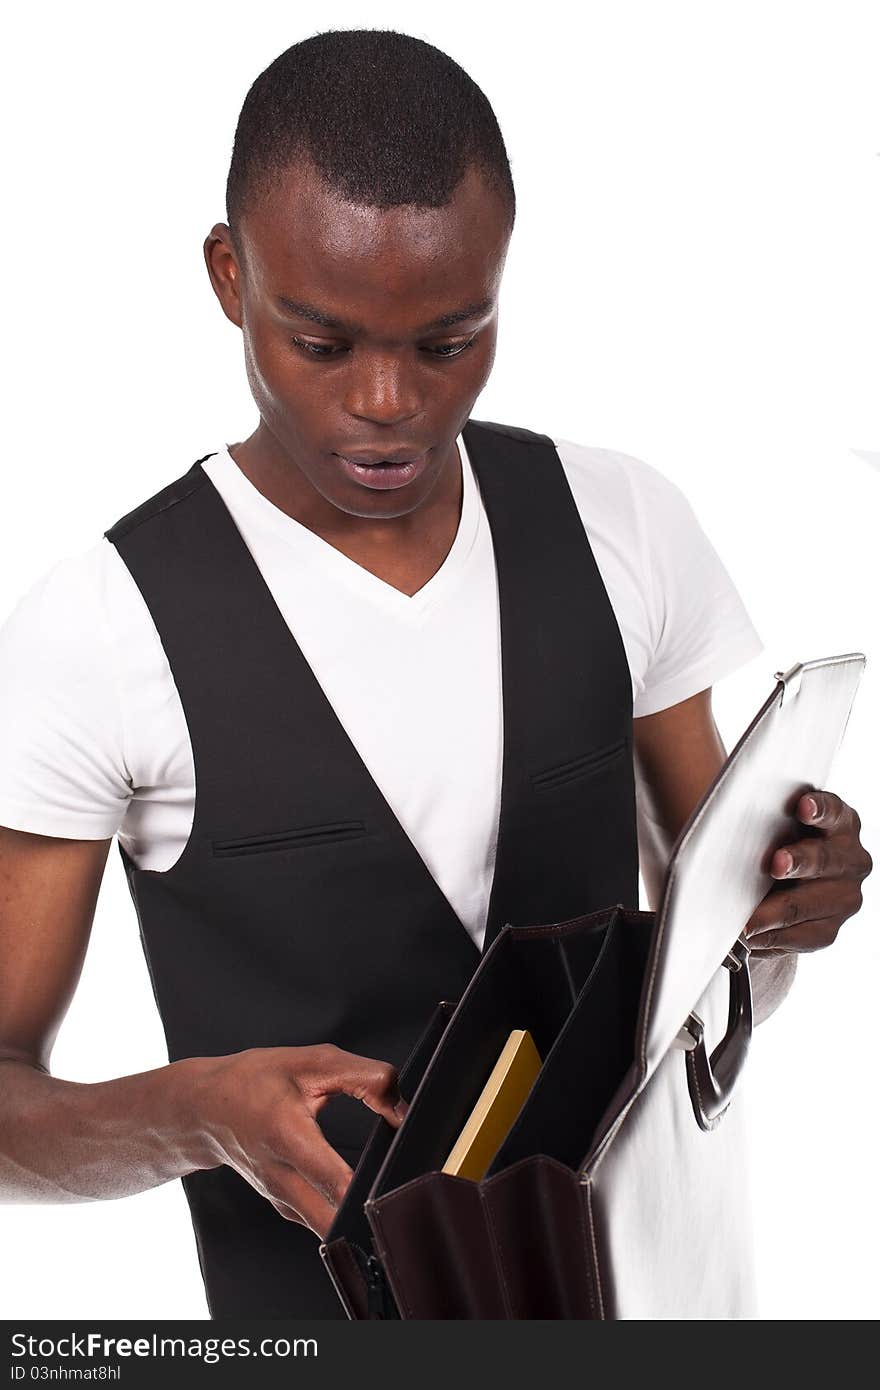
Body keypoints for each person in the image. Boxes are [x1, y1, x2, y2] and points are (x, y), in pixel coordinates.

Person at [0, 28, 871, 1321]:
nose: (390, 402)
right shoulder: (99, 630)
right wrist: (197, 1112)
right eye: (324, 342)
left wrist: (789, 895)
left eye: (450, 340)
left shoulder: (620, 521)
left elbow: (720, 950)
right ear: (229, 277)